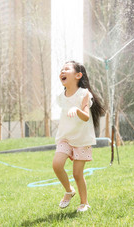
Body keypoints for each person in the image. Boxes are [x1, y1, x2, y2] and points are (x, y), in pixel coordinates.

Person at [53, 60, 105, 212]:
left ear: (78, 75)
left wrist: (76, 110)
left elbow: (86, 117)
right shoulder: (61, 97)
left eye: (66, 69)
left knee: (77, 174)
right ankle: (69, 190)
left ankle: (84, 203)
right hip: (65, 137)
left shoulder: (84, 94)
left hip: (82, 140)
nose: (62, 71)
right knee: (57, 165)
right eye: (61, 70)